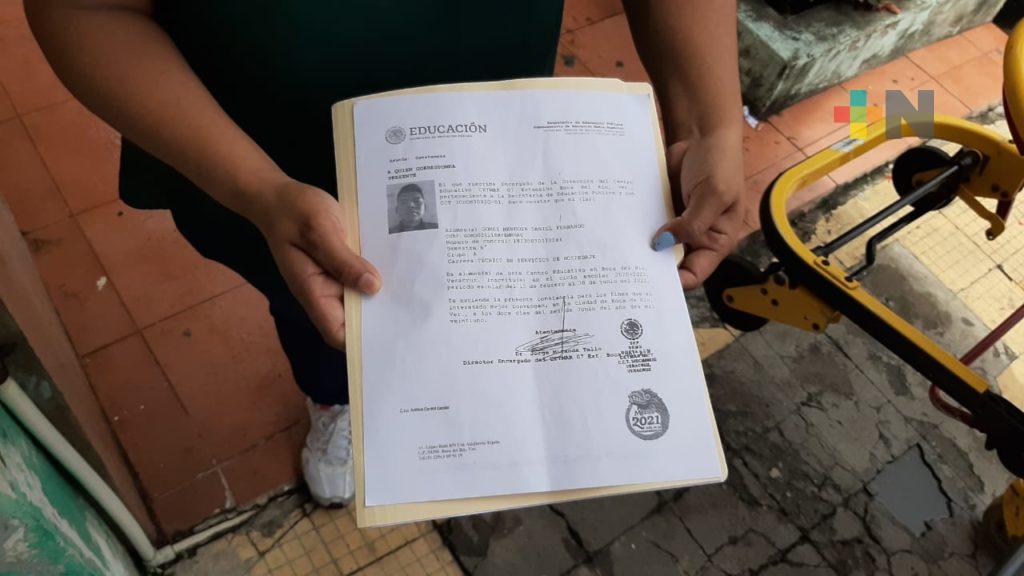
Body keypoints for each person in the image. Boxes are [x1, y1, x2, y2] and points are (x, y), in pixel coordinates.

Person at [26, 1, 747, 506]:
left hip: (496, 135)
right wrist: (258, 191)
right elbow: (85, 9)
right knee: (319, 307)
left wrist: (711, 122)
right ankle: (337, 400)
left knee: (489, 298)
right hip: (268, 155)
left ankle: (481, 401)